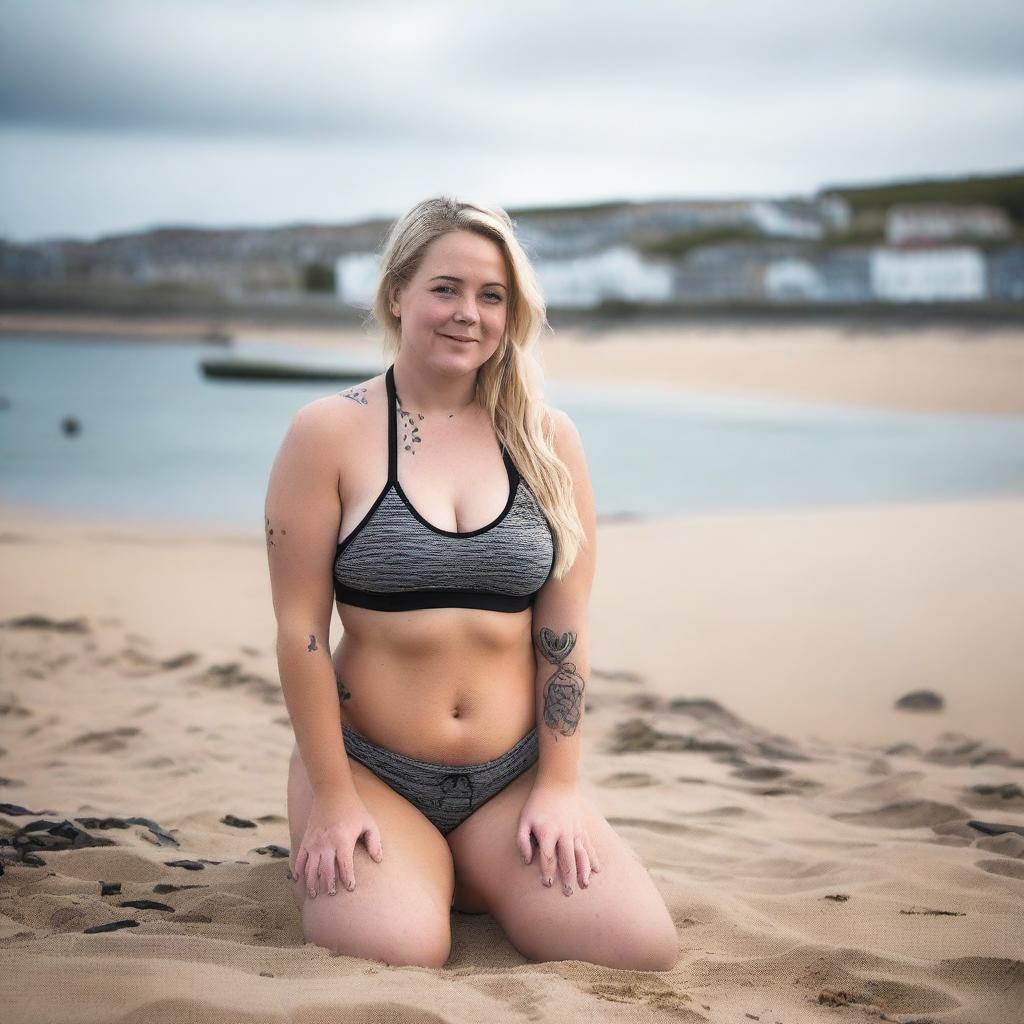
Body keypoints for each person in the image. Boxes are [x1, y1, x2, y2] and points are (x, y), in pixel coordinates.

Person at [265, 195, 678, 971]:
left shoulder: (548, 441)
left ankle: (461, 868)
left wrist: (559, 787)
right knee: (399, 951)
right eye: (446, 289)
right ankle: (424, 874)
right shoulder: (328, 432)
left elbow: (565, 632)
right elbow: (302, 632)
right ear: (398, 294)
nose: (468, 314)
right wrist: (332, 796)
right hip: (368, 767)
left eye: (492, 296)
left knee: (639, 950)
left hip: (511, 777)